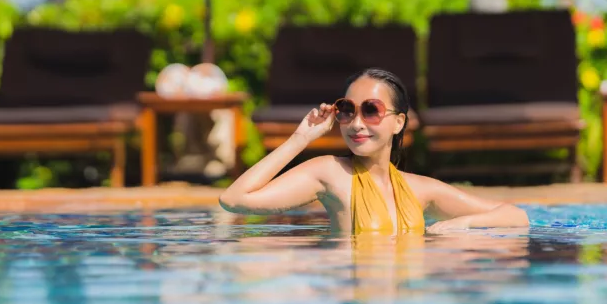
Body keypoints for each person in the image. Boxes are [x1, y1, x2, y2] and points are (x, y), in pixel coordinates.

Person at [219, 68, 530, 235]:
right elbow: (234, 200)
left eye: (371, 110)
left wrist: (459, 224)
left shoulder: (418, 189)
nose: (356, 123)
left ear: (398, 123)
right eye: (347, 110)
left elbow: (515, 216)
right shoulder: (330, 173)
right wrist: (301, 138)